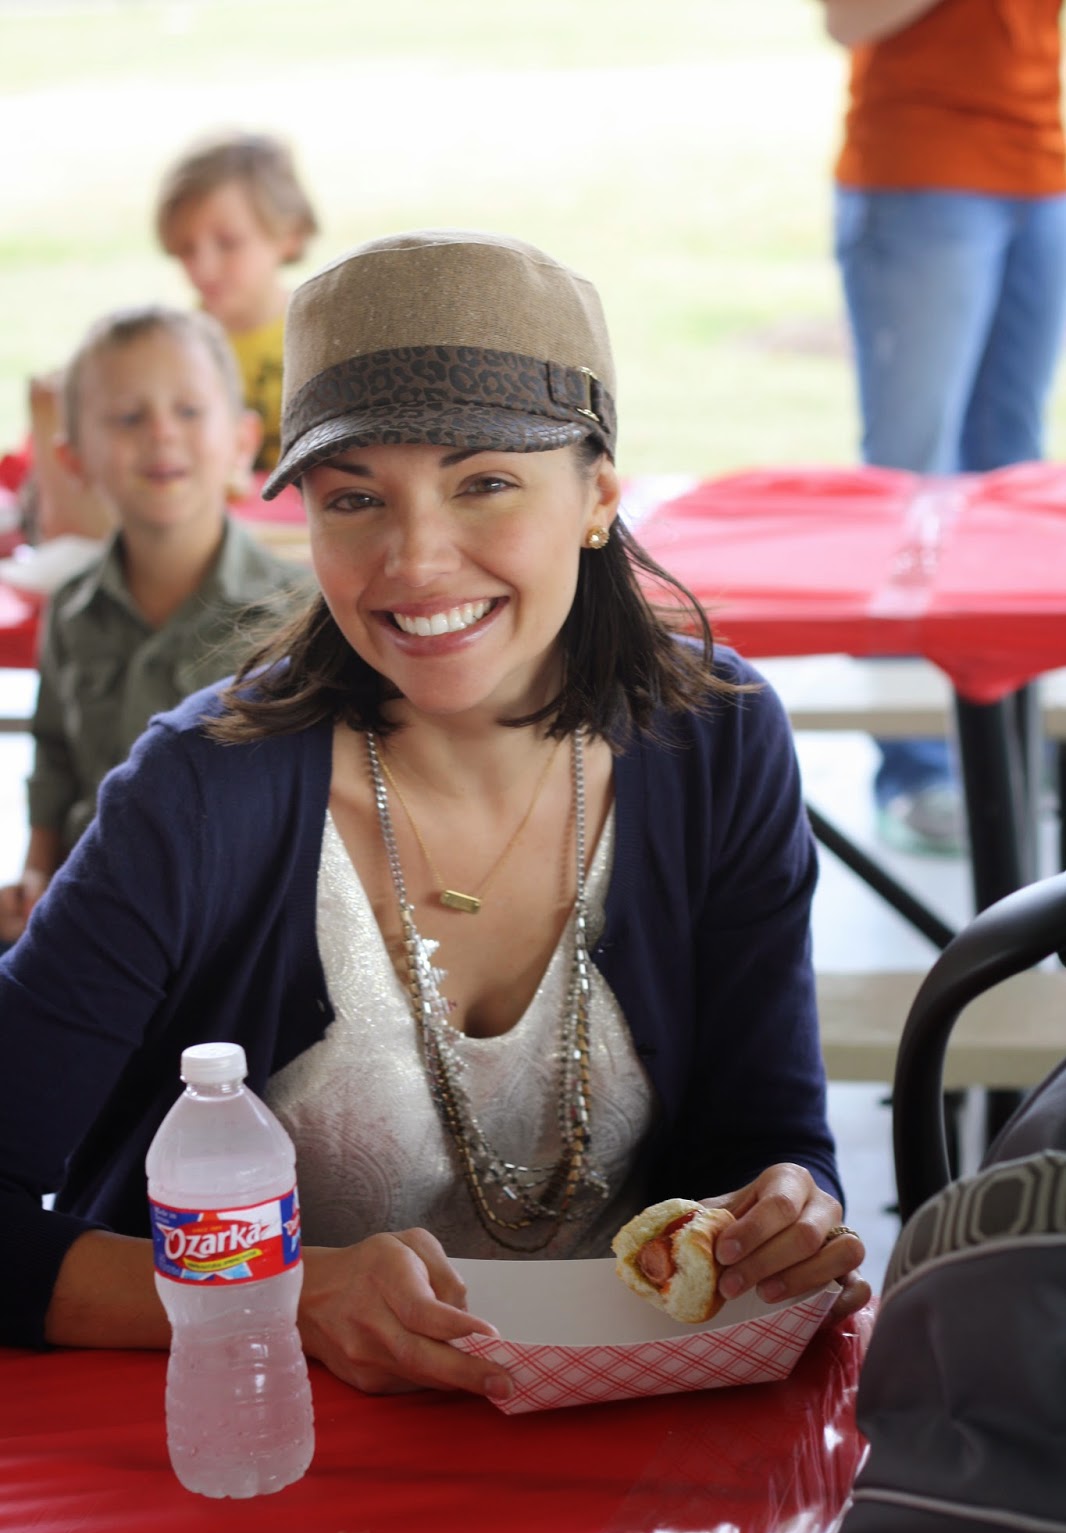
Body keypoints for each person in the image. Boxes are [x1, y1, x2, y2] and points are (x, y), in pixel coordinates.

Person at [0, 231, 869, 1401]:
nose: (414, 560)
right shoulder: (199, 793)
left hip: (629, 1437)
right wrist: (288, 1294)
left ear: (598, 495)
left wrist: (785, 1212)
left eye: (483, 483)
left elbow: (770, 1138)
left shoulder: (716, 742)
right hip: (260, 1453)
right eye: (355, 497)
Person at [822, 0, 1066, 854]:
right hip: (923, 171)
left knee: (1014, 475)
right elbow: (847, 19)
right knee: (912, 477)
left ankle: (1018, 746)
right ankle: (917, 767)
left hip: (1041, 165)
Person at [0, 305, 311, 945]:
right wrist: (35, 874)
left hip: (236, 928)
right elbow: (54, 757)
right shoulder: (71, 610)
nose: (162, 434)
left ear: (242, 442)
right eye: (128, 417)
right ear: (74, 459)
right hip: (89, 913)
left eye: (189, 411)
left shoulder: (298, 614)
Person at [155, 130, 319, 474]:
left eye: (228, 243)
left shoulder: (323, 336)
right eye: (185, 249)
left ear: (289, 235)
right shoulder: (176, 350)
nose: (203, 267)